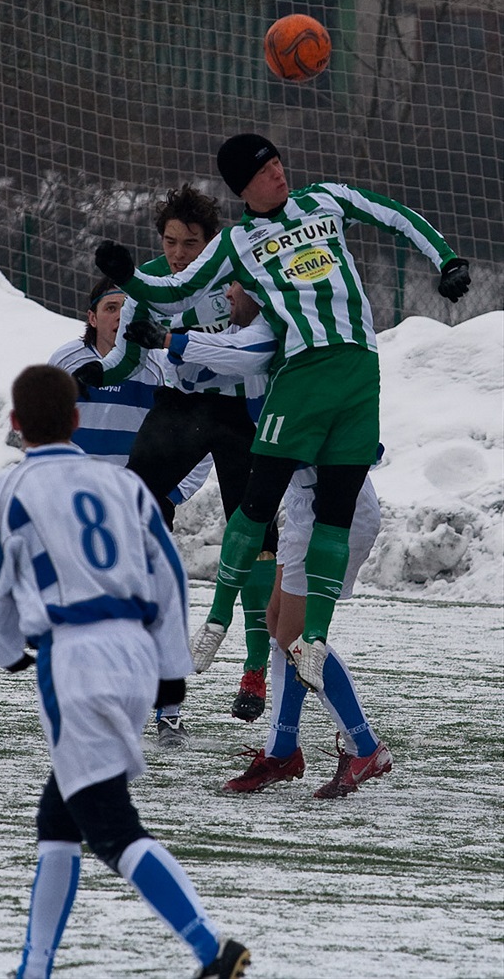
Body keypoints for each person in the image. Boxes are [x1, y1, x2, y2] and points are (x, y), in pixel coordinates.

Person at [94, 134, 471, 693]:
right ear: (243, 186)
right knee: (250, 509)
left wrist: (446, 257)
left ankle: (298, 652)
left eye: (277, 162)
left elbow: (390, 213)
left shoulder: (324, 201)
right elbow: (176, 299)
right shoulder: (237, 246)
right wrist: (132, 292)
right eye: (265, 168)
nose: (278, 172)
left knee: (329, 526)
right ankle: (212, 627)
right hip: (275, 390)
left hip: (348, 378)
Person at [0, 365, 250, 979]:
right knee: (58, 821)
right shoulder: (123, 487)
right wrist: (171, 671)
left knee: (111, 825)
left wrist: (8, 648)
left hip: (76, 656)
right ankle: (33, 968)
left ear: (16, 426)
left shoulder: (10, 490)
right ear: (77, 420)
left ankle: (212, 949)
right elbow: (168, 574)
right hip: (135, 655)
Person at [133, 282, 392, 797]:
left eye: (236, 283)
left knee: (295, 635)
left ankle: (364, 748)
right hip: (301, 507)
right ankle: (282, 751)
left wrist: (169, 338)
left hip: (332, 510)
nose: (227, 293)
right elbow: (224, 356)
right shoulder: (259, 350)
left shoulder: (279, 343)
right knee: (280, 626)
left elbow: (240, 350)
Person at [79, 185, 280, 728]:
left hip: (242, 414)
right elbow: (125, 357)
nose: (178, 254)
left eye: (190, 243)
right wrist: (100, 371)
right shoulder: (147, 280)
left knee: (258, 541)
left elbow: (266, 341)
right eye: (170, 242)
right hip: (182, 407)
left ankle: (255, 668)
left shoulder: (240, 273)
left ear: (209, 240)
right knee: (131, 507)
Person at [49, 276, 210, 746]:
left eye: (127, 307)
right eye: (111, 306)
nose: (119, 315)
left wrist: (169, 494)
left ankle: (169, 715)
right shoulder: (66, 363)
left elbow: (196, 442)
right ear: (92, 316)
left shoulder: (159, 368)